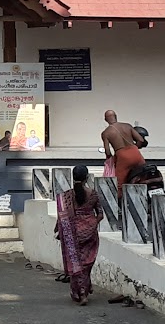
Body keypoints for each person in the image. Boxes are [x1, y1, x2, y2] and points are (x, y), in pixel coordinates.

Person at [54, 164, 102, 304]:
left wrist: (59, 229)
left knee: (75, 262)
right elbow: (100, 214)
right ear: (87, 177)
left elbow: (62, 215)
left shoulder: (67, 196)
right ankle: (85, 289)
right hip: (90, 233)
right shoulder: (93, 194)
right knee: (86, 264)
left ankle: (80, 293)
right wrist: (93, 223)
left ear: (73, 177)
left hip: (72, 232)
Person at [101, 110, 147, 186]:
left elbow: (107, 151)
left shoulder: (106, 133)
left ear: (105, 119)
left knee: (119, 184)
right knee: (143, 176)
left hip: (122, 156)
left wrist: (111, 159)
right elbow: (141, 140)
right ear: (116, 117)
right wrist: (134, 148)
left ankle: (119, 197)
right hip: (135, 152)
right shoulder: (127, 126)